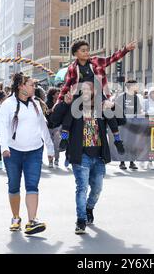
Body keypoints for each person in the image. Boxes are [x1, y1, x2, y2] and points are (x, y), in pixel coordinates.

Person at [50, 82, 112, 235]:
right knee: (81, 188)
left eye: (88, 89)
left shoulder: (101, 107)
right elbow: (56, 122)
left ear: (94, 91)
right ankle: (81, 220)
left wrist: (113, 106)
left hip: (98, 156)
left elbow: (120, 121)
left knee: (97, 188)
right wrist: (64, 104)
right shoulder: (74, 107)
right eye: (82, 89)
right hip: (80, 155)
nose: (85, 91)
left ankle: (89, 208)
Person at [0, 73, 54, 235]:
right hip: (13, 152)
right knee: (14, 185)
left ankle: (32, 221)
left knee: (32, 185)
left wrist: (50, 148)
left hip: (34, 151)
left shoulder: (36, 104)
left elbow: (43, 127)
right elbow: (2, 127)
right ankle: (16, 218)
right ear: (21, 86)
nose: (33, 87)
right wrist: (4, 147)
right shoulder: (8, 105)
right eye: (30, 84)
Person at [56, 39, 135, 152]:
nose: (87, 53)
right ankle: (64, 138)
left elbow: (111, 59)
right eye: (83, 51)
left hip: (97, 93)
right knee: (70, 110)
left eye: (88, 50)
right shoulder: (72, 68)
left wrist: (125, 50)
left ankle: (117, 140)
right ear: (75, 54)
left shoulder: (96, 62)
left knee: (108, 112)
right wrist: (58, 102)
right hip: (80, 95)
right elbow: (66, 87)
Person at [115, 79, 144, 170]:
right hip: (123, 124)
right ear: (130, 87)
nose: (137, 87)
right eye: (135, 85)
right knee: (123, 142)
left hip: (133, 123)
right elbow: (116, 109)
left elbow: (139, 110)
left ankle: (132, 162)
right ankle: (122, 162)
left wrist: (141, 113)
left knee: (132, 143)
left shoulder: (136, 98)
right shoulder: (121, 97)